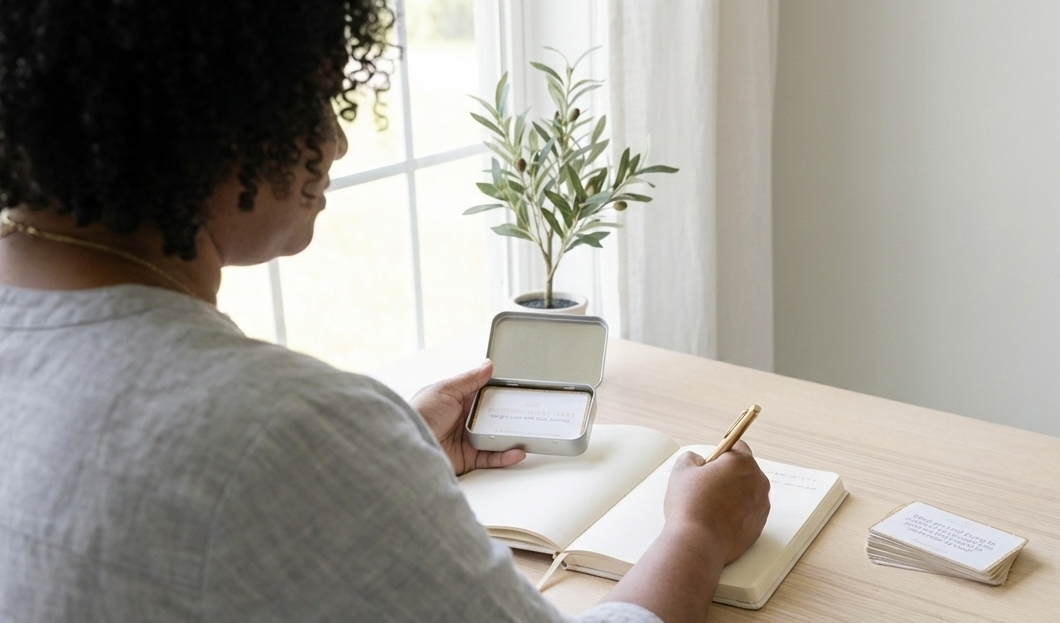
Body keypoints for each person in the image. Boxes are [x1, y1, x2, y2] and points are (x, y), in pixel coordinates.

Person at [0, 1, 771, 622]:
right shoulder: (280, 429)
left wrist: (377, 464)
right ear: (208, 117)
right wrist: (696, 534)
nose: (335, 141)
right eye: (311, 102)